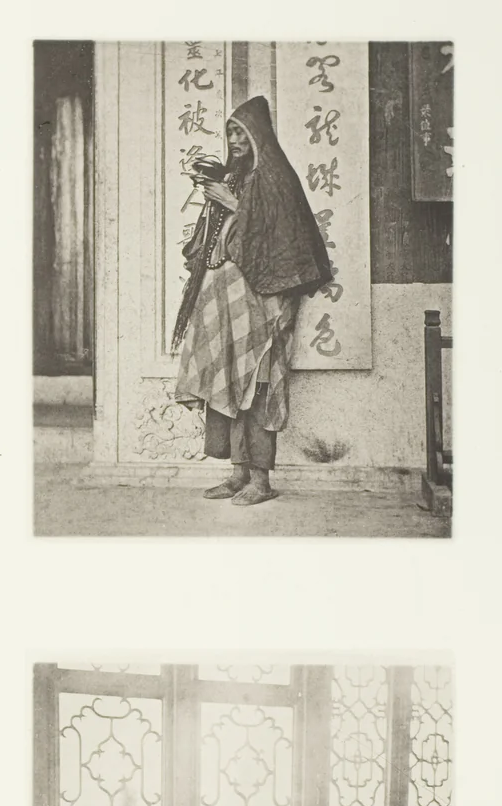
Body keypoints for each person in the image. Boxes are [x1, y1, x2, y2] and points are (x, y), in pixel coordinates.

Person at [172, 96, 332, 506]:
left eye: (241, 133)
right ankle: (237, 474)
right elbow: (211, 241)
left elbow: (283, 238)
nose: (234, 140)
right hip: (225, 299)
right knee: (225, 378)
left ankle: (261, 480)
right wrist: (219, 202)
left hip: (262, 301)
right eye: (229, 133)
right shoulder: (236, 177)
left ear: (258, 135)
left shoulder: (276, 178)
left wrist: (233, 204)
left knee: (258, 384)